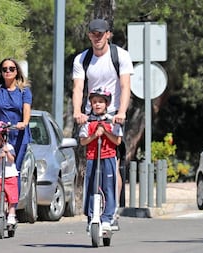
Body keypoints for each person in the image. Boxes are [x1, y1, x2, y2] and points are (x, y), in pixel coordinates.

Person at [72, 18, 134, 228]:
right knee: (90, 162)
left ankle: (112, 211)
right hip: (91, 115)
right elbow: (78, 88)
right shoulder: (82, 59)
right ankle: (91, 212)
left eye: (101, 34)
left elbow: (125, 86)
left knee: (112, 164)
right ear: (89, 35)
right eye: (93, 34)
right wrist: (78, 112)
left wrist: (122, 112)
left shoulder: (120, 56)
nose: (97, 38)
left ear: (108, 34)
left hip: (113, 114)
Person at [0, 58, 32, 194]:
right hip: (0, 135)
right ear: (1, 72)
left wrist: (24, 123)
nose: (8, 71)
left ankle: (12, 210)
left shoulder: (24, 91)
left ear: (17, 71)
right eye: (5, 69)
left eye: (11, 69)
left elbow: (27, 109)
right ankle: (1, 205)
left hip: (18, 136)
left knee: (13, 170)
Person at [79, 88, 123, 232]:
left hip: (108, 157)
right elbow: (83, 141)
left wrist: (105, 132)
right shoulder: (87, 121)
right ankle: (92, 216)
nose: (97, 105)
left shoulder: (113, 121)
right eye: (94, 102)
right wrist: (94, 135)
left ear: (106, 104)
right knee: (92, 188)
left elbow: (117, 141)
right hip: (92, 158)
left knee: (108, 188)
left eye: (100, 102)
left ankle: (108, 218)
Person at [0, 131, 18, 225]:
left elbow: (12, 160)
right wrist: (0, 157)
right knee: (1, 197)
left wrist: (7, 152)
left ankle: (11, 216)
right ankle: (2, 212)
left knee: (12, 197)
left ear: (4, 139)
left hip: (10, 176)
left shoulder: (9, 147)